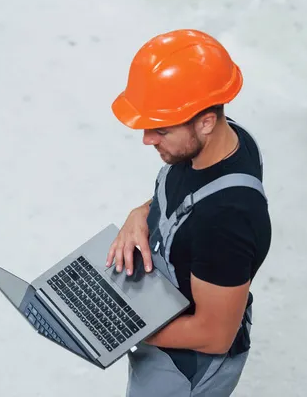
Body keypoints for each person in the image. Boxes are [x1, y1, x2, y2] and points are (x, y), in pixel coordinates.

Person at [106, 29, 272, 396]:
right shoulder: (227, 143)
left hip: (186, 368)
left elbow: (213, 336)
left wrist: (120, 325)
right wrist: (141, 213)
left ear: (206, 121)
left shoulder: (226, 222)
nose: (148, 138)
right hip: (169, 313)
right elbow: (192, 198)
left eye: (160, 129)